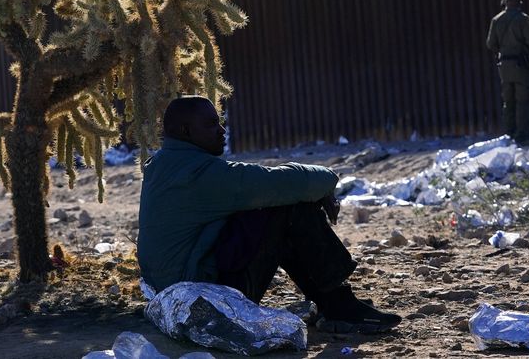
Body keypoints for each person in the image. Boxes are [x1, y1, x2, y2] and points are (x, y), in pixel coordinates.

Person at [137, 96, 401, 333]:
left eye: (219, 122)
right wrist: (328, 183)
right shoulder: (198, 175)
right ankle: (339, 304)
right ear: (186, 131)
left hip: (181, 299)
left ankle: (334, 303)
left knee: (272, 208)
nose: (222, 131)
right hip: (206, 306)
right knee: (287, 209)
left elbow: (263, 186)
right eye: (210, 125)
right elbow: (279, 182)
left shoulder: (164, 165)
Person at [486, 0, 529, 145]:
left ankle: (509, 133)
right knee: (523, 100)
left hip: (504, 66)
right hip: (521, 64)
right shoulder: (523, 19)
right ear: (519, 3)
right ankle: (522, 135)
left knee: (508, 100)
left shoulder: (496, 20)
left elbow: (490, 44)